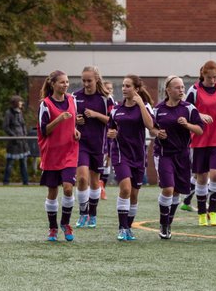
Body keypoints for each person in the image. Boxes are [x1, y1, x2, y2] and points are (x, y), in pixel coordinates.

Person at [151, 75, 203, 239]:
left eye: (182, 87)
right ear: (168, 90)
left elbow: (200, 130)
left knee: (176, 193)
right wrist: (157, 133)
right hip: (164, 154)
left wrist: (187, 125)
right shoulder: (158, 109)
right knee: (168, 188)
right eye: (177, 87)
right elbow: (151, 128)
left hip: (182, 155)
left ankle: (168, 222)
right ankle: (163, 224)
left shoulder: (189, 108)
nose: (181, 90)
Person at [107, 74, 154, 241]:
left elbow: (150, 125)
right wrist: (111, 133)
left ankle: (128, 227)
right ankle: (122, 228)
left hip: (138, 156)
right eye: (123, 86)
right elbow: (110, 129)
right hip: (120, 154)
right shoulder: (116, 109)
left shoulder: (145, 106)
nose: (124, 89)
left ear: (136, 89)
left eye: (128, 86)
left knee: (134, 195)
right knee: (125, 189)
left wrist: (141, 104)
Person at [183, 60, 216, 226]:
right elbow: (186, 110)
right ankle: (201, 213)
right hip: (200, 138)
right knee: (201, 178)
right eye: (210, 78)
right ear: (203, 75)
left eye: (215, 77)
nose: (213, 81)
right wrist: (199, 115)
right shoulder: (194, 90)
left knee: (215, 175)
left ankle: (213, 211)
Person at [37, 70, 79, 242]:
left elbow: (73, 122)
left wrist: (76, 131)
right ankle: (53, 227)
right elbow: (44, 130)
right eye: (62, 82)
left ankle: (65, 223)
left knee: (68, 188)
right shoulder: (45, 104)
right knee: (53, 191)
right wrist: (59, 119)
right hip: (52, 153)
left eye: (67, 82)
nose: (65, 85)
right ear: (53, 84)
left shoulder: (72, 100)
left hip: (70, 151)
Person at [73, 66, 114, 228]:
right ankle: (83, 213)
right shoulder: (75, 97)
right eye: (83, 81)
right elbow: (68, 118)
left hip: (98, 145)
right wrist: (76, 121)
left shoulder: (106, 99)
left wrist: (96, 115)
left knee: (95, 181)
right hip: (80, 143)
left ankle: (93, 214)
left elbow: (113, 120)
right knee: (82, 178)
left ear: (97, 80)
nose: (86, 84)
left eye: (89, 80)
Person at [2, 95, 30, 186]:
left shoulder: (20, 112)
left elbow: (23, 125)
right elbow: (5, 127)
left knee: (24, 163)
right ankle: (6, 181)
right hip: (13, 142)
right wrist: (14, 136)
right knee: (10, 163)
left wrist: (25, 134)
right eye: (20, 101)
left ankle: (25, 181)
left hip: (22, 141)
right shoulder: (8, 113)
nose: (21, 103)